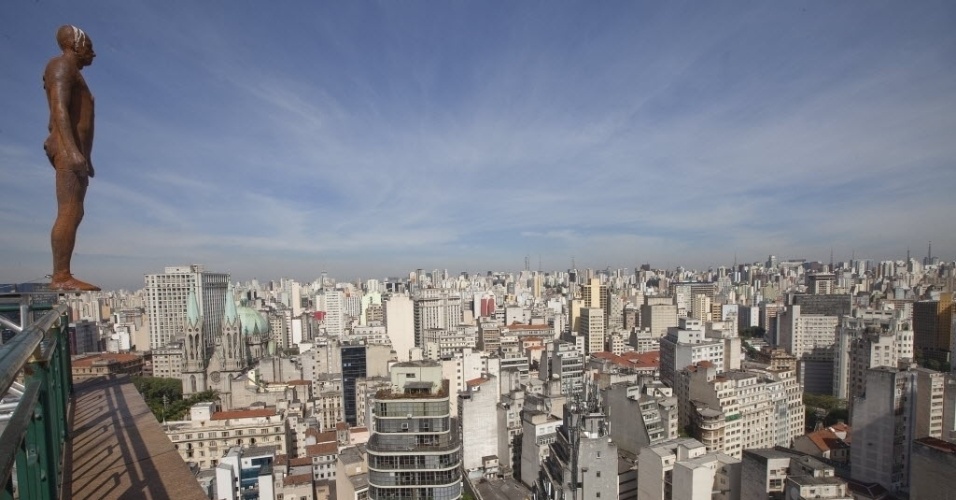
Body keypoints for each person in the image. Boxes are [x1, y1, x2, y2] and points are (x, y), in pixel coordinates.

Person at [43, 25, 99, 291]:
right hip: (68, 150)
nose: (93, 53)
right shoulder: (61, 67)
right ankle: (61, 276)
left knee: (74, 211)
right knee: (69, 210)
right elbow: (60, 109)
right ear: (75, 45)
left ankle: (62, 274)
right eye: (89, 46)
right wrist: (72, 150)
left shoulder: (71, 72)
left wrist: (86, 157)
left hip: (75, 151)